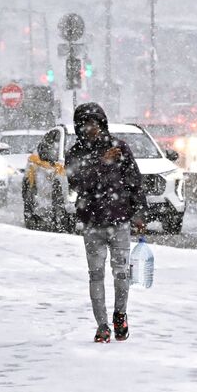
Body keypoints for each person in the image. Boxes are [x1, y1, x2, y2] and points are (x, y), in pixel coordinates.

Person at [65, 102, 146, 342]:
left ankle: (120, 315)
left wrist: (139, 212)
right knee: (96, 274)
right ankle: (102, 325)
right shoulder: (75, 153)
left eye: (95, 123)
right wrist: (102, 162)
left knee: (121, 273)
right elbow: (77, 183)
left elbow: (134, 181)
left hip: (119, 221)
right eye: (86, 124)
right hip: (92, 223)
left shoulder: (119, 148)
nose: (91, 128)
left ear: (102, 124)